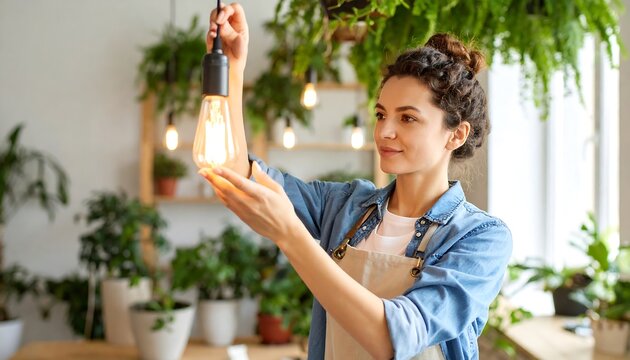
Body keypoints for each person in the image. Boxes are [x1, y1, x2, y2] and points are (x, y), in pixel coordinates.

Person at [199, 3, 512, 360]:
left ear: (455, 135)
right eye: (381, 114)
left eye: (408, 118)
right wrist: (233, 69)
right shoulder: (346, 206)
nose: (385, 131)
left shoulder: (479, 239)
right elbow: (238, 178)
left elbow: (396, 337)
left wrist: (290, 235)